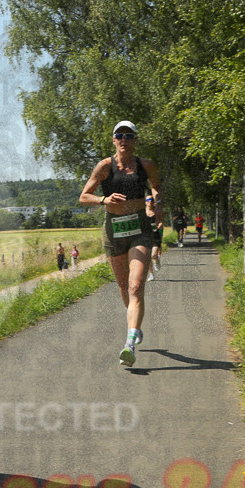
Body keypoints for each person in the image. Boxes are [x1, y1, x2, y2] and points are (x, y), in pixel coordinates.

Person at [80, 121, 163, 367]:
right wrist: (104, 199)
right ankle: (134, 325)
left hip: (139, 228)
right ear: (114, 140)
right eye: (119, 135)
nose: (124, 139)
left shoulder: (145, 166)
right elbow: (84, 196)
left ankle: (129, 344)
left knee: (136, 286)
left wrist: (158, 204)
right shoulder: (104, 167)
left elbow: (156, 186)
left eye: (129, 135)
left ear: (135, 140)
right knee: (124, 288)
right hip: (113, 229)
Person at [145, 196, 164, 281]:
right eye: (148, 200)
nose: (150, 201)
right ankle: (151, 274)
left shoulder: (156, 212)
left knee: (153, 255)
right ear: (145, 202)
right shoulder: (142, 212)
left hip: (155, 235)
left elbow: (161, 220)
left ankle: (156, 260)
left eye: (152, 200)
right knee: (148, 257)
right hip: (145, 236)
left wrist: (160, 224)